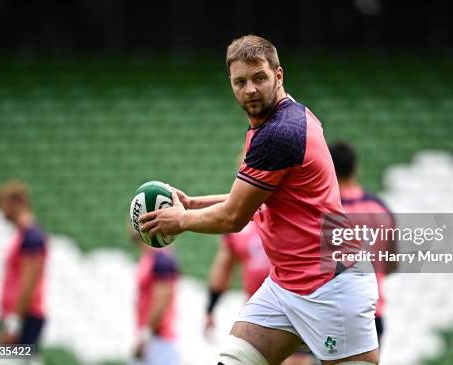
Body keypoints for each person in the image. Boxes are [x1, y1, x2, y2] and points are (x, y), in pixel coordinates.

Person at [139, 34, 380, 365]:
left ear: (278, 75)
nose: (249, 89)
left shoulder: (279, 133)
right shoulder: (280, 122)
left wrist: (179, 221)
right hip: (286, 286)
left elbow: (234, 218)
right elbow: (261, 201)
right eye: (240, 81)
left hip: (332, 287)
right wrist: (194, 204)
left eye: (259, 78)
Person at [205, 221, 315, 365]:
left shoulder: (299, 215)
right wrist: (210, 308)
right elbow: (224, 268)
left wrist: (183, 220)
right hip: (259, 313)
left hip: (298, 305)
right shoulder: (240, 224)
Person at [329, 141, 397, 342]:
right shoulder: (380, 208)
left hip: (333, 312)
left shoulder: (326, 211)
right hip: (372, 311)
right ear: (356, 167)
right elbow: (392, 263)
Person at [0, 181, 48, 354]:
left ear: (17, 202)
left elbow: (29, 282)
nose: (1, 210)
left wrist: (14, 323)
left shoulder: (31, 237)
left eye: (2, 203)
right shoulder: (23, 235)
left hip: (25, 316)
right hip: (20, 315)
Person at [130, 229, 181, 365]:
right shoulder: (151, 256)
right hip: (153, 340)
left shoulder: (161, 259)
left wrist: (145, 336)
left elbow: (162, 301)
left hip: (159, 342)